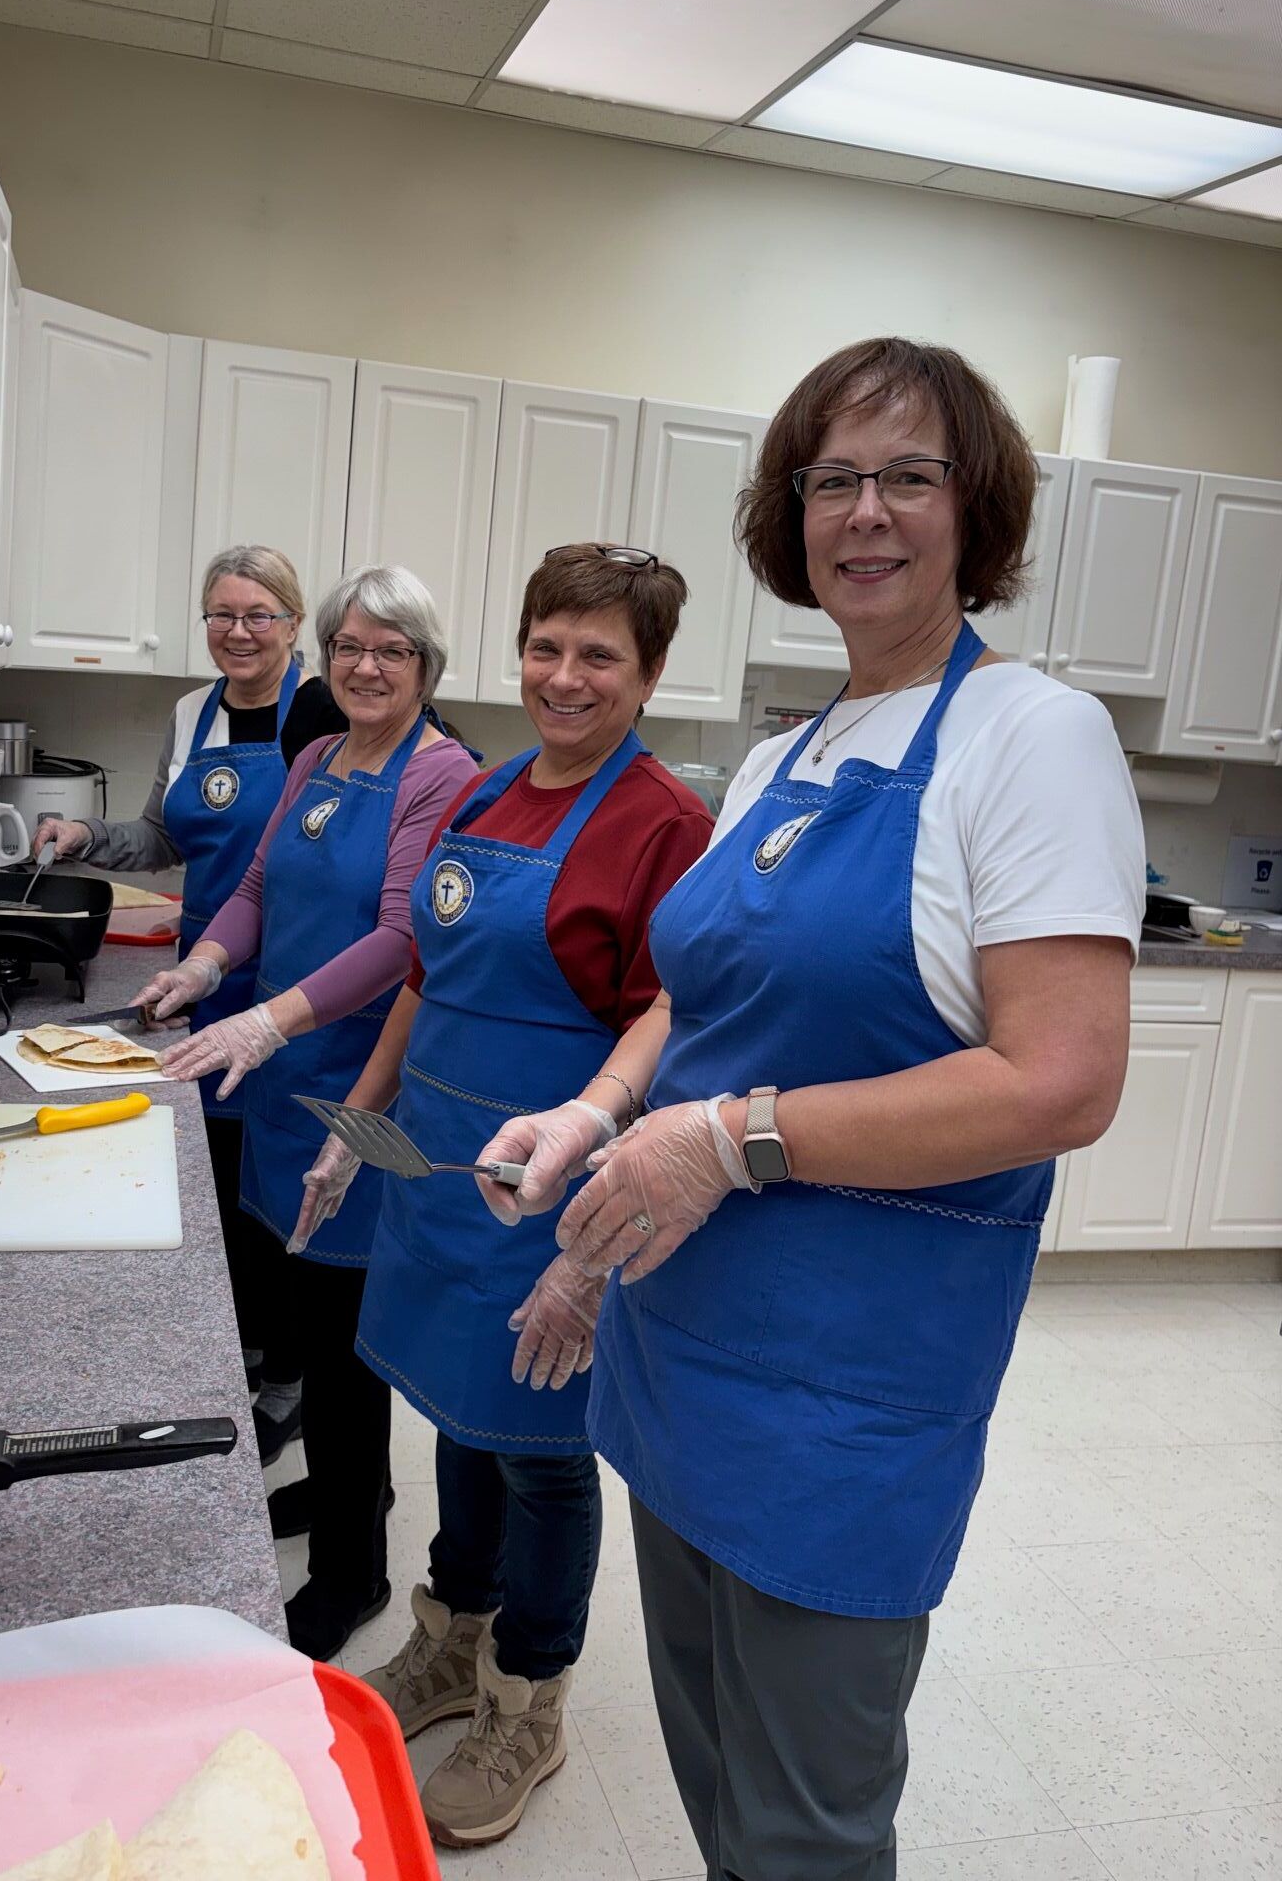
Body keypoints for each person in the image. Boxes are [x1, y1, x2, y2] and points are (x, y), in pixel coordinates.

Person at [478, 341, 1145, 1880]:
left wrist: (728, 1140)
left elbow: (1061, 1079)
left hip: (848, 1394)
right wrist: (602, 1111)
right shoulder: (787, 748)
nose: (866, 511)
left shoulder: (1031, 741)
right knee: (718, 1780)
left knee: (808, 1832)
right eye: (831, 478)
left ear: (976, 509)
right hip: (680, 1349)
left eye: (910, 475)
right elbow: (696, 998)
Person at [294, 544, 713, 1848]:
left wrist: (594, 1227)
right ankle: (448, 1639)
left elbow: (675, 1016)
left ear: (647, 674)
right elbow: (424, 971)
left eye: (600, 655)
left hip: (553, 1199)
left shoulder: (664, 824)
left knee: (538, 1457)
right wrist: (357, 1130)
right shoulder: (481, 792)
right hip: (438, 1183)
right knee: (455, 1426)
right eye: (548, 646)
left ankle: (529, 1698)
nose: (566, 677)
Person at [150, 564, 478, 1661]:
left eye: (390, 649)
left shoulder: (442, 775)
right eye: (349, 646)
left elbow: (402, 939)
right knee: (302, 1313)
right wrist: (205, 969)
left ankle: (354, 1575)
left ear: (426, 666)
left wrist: (267, 1022)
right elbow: (252, 893)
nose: (365, 665)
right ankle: (354, 1497)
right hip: (280, 1082)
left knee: (344, 1347)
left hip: (357, 1089)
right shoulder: (316, 757)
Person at [31, 546, 345, 1457]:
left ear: (293, 624)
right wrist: (87, 834)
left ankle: (292, 1378)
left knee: (281, 1184)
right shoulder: (188, 713)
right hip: (202, 975)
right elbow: (165, 836)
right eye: (220, 614)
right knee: (219, 1178)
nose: (238, 632)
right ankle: (243, 1352)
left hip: (292, 990)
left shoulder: (325, 712)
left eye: (258, 614)